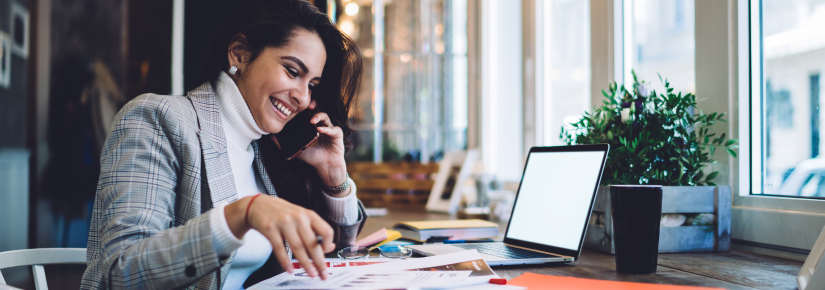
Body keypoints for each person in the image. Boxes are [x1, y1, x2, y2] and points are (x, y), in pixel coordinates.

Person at [80, 0, 365, 288]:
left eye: (312, 85)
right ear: (239, 54)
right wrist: (239, 216)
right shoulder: (158, 118)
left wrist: (333, 177)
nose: (303, 98)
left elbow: (336, 255)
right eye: (292, 71)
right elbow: (121, 270)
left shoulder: (262, 151)